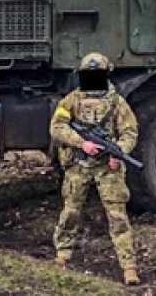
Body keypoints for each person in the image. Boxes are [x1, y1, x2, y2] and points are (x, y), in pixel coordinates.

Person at [50, 52, 141, 286]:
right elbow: (57, 127)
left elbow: (130, 132)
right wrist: (81, 143)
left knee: (118, 217)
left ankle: (128, 267)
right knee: (70, 212)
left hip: (107, 168)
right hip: (79, 165)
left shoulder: (117, 103)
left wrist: (118, 152)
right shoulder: (71, 100)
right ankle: (63, 253)